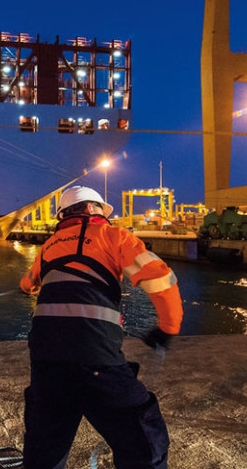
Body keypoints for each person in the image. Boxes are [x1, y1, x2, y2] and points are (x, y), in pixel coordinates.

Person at [19, 185, 184, 469]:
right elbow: (160, 280)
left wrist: (36, 285)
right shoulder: (114, 236)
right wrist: (167, 327)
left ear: (63, 215)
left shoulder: (48, 247)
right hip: (97, 360)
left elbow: (27, 284)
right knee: (143, 443)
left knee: (44, 449)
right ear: (92, 209)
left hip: (46, 360)